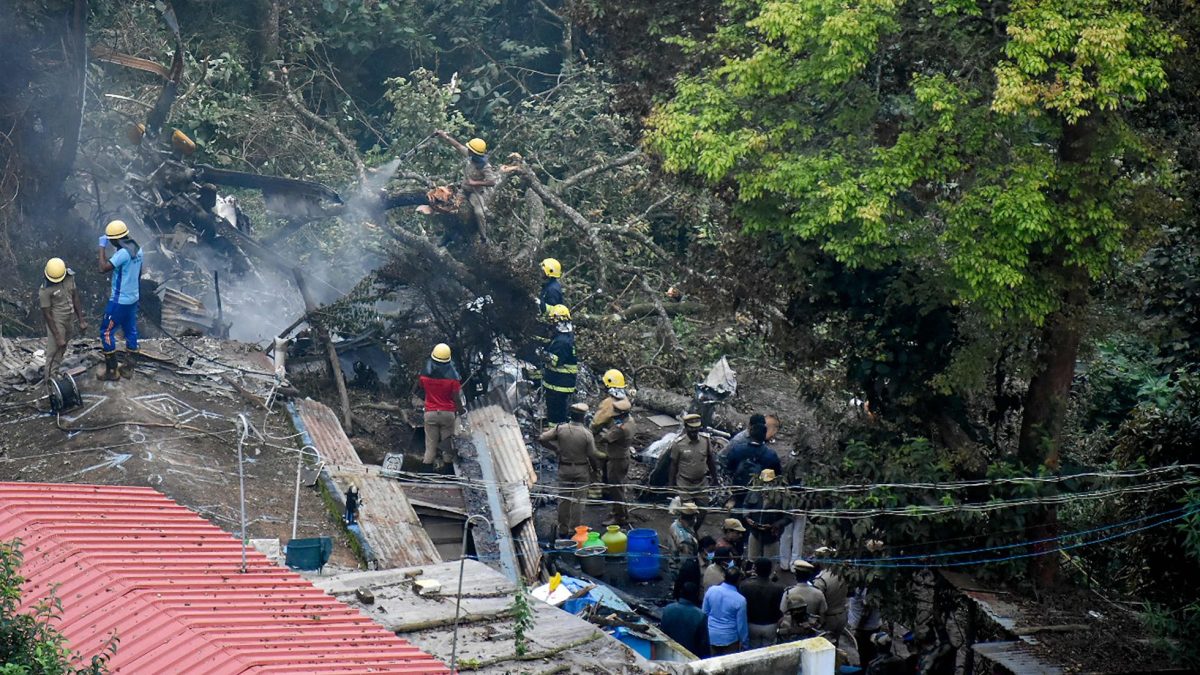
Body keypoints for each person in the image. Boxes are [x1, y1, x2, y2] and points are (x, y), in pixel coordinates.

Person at [539, 402, 606, 537]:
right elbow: (592, 454)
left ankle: (562, 529)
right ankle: (574, 530)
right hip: (581, 470)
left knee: (564, 500)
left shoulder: (561, 429)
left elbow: (542, 438)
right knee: (578, 501)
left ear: (571, 415)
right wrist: (596, 468)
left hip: (564, 468)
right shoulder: (586, 434)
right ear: (583, 417)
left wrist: (555, 449)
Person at [97, 219, 143, 381]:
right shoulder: (138, 249)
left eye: (111, 240)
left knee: (106, 332)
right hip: (133, 298)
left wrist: (101, 247)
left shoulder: (122, 254)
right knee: (130, 330)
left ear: (116, 239)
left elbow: (103, 268)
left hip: (119, 301)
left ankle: (112, 371)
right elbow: (138, 272)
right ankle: (128, 369)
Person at [433, 130, 500, 242]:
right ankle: (448, 235)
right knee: (449, 208)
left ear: (475, 153)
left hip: (475, 193)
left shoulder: (485, 166)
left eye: (470, 150)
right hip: (463, 191)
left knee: (479, 213)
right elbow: (458, 146)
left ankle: (483, 237)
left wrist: (475, 183)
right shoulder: (470, 156)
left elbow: (492, 181)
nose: (468, 150)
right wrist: (445, 136)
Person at [38, 258, 86, 385]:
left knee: (63, 346)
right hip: (56, 321)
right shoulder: (45, 290)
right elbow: (47, 314)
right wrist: (58, 336)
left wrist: (81, 320)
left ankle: (55, 372)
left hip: (69, 317)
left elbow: (75, 297)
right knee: (54, 350)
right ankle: (49, 381)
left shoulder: (69, 277)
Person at [419, 343, 464, 469]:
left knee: (430, 448)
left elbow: (421, 389)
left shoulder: (424, 376)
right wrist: (461, 411)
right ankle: (447, 476)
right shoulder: (453, 379)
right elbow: (456, 398)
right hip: (448, 415)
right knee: (447, 448)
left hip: (430, 414)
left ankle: (426, 475)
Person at [595, 398, 635, 524]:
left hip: (617, 460)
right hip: (623, 456)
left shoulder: (620, 428)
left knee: (615, 489)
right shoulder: (630, 421)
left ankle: (619, 516)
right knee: (620, 487)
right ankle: (621, 512)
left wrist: (601, 433)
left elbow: (605, 439)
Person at [667, 414, 719, 505]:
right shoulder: (678, 444)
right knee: (689, 509)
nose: (694, 430)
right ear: (686, 427)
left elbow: (710, 460)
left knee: (703, 509)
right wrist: (671, 484)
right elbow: (673, 464)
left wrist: (715, 479)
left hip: (702, 483)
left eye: (696, 428)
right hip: (684, 484)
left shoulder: (705, 440)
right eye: (691, 428)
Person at [541, 304, 577, 425]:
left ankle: (555, 433)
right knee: (559, 412)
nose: (551, 325)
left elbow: (554, 361)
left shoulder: (561, 342)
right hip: (561, 383)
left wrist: (541, 354)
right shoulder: (566, 337)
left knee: (555, 415)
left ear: (558, 322)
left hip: (559, 384)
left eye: (552, 322)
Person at [744, 469, 790, 562]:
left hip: (771, 535)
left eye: (769, 482)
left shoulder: (781, 496)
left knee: (770, 561)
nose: (766, 485)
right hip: (755, 532)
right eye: (764, 482)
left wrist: (776, 525)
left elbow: (788, 517)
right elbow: (746, 505)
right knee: (752, 558)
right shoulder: (754, 492)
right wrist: (747, 517)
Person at [739, 557, 785, 648]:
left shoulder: (745, 586)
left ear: (755, 569)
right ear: (770, 570)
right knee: (769, 650)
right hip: (771, 625)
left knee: (753, 650)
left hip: (752, 624)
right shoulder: (779, 588)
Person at [702, 566, 748, 655]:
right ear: (738, 580)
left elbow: (704, 613)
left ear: (724, 577)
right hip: (730, 639)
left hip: (712, 636)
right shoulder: (740, 600)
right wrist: (744, 642)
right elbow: (741, 625)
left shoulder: (711, 590)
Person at [778, 559, 826, 642]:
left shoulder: (788, 592)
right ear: (809, 576)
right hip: (811, 632)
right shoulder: (818, 593)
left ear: (795, 575)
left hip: (793, 633)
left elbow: (783, 612)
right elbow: (822, 615)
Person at [724, 423, 781, 490]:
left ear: (750, 434)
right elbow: (777, 474)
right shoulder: (771, 455)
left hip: (737, 489)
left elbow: (728, 468)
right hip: (760, 490)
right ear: (765, 435)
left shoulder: (737, 449)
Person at [778, 445, 808, 570]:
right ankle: (795, 562)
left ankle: (784, 562)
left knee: (786, 533)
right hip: (801, 501)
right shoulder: (803, 464)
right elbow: (802, 483)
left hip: (786, 500)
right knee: (798, 533)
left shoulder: (784, 459)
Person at [661, 582, 709, 658]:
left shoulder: (668, 609)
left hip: (667, 652)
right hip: (689, 656)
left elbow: (662, 632)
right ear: (695, 596)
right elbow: (704, 644)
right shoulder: (700, 615)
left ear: (681, 593)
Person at [813, 563, 849, 647]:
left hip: (828, 618)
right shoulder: (842, 574)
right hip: (842, 615)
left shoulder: (821, 580)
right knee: (835, 643)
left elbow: (818, 602)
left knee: (824, 646)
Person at [850, 586, 884, 666]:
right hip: (874, 625)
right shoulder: (877, 586)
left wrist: (859, 628)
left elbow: (866, 611)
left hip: (865, 629)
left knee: (865, 655)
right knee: (871, 653)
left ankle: (866, 669)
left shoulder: (866, 589)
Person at [665, 501, 701, 573]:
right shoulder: (686, 539)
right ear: (692, 518)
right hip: (680, 569)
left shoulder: (675, 524)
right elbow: (688, 560)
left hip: (672, 561)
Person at [591, 369, 630, 433]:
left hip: (613, 434)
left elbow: (597, 422)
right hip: (625, 431)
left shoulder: (608, 402)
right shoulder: (624, 397)